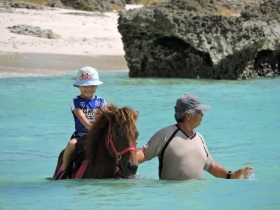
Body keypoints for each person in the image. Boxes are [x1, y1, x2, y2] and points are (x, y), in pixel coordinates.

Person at [136, 93, 253, 180]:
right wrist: (121, 159)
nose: (202, 114)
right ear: (188, 115)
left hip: (197, 201)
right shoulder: (166, 134)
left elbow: (210, 165)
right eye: (199, 112)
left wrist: (232, 175)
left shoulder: (200, 138)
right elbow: (143, 154)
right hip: (172, 200)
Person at [62, 66, 106, 170]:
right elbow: (81, 116)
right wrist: (92, 128)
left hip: (99, 133)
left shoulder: (101, 101)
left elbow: (105, 117)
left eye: (92, 85)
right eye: (85, 86)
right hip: (82, 134)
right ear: (78, 86)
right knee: (71, 144)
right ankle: (65, 170)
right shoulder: (75, 101)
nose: (89, 88)